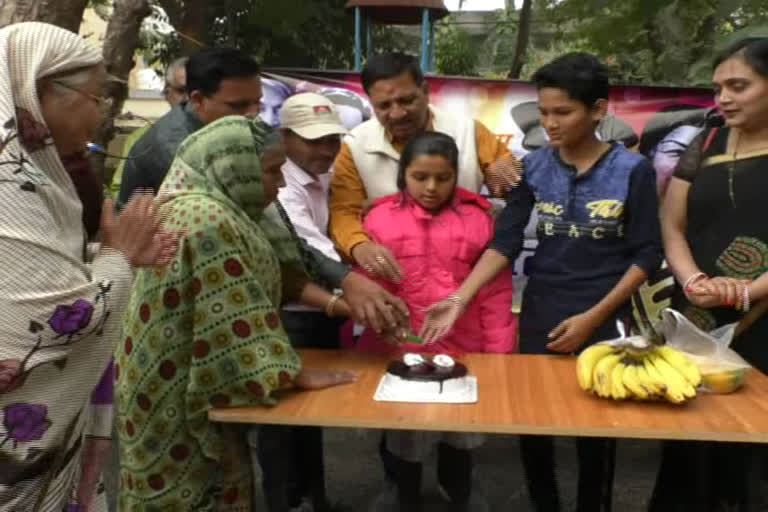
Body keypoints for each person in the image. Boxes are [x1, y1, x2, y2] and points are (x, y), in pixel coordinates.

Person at [421, 53, 663, 512]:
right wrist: (459, 298)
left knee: (597, 435)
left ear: (597, 110)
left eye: (563, 112)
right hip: (541, 312)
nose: (550, 123)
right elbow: (505, 243)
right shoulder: (533, 168)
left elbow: (648, 254)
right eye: (544, 112)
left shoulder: (633, 171)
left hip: (605, 320)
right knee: (534, 427)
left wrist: (594, 317)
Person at [116, 116, 358, 511]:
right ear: (234, 167)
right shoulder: (205, 220)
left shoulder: (216, 206)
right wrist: (294, 372)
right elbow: (233, 315)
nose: (280, 183)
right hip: (178, 391)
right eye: (271, 171)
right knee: (188, 491)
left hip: (174, 376)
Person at [0, 22, 178, 510]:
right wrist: (117, 258)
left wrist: (109, 259)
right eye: (95, 99)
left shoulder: (33, 177)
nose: (101, 118)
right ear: (41, 93)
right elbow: (49, 323)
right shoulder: (6, 186)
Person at [114, 46, 409, 336]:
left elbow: (276, 234)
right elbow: (267, 234)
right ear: (198, 100)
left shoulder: (233, 141)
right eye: (239, 106)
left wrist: (346, 280)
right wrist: (344, 285)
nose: (253, 116)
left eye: (257, 103)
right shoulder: (183, 153)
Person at [357, 132, 518, 511]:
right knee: (402, 435)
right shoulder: (379, 220)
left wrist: (499, 355)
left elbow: (495, 292)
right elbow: (368, 289)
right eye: (419, 177)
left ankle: (457, 490)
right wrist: (375, 341)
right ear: (403, 175)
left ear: (455, 175)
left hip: (467, 347)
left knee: (460, 434)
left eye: (442, 178)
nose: (430, 187)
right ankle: (401, 491)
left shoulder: (479, 220)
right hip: (401, 349)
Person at [650, 37, 768, 511]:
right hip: (697, 318)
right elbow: (671, 225)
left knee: (752, 452)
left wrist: (746, 291)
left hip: (762, 323)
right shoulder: (708, 141)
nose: (722, 98)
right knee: (688, 437)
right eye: (718, 87)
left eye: (738, 86)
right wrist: (693, 281)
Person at [330, 52, 521, 281]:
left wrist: (497, 216)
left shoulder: (469, 132)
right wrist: (358, 245)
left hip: (463, 280)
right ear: (371, 103)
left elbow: (512, 187)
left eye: (407, 101)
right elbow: (344, 211)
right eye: (384, 105)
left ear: (426, 91)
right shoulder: (354, 146)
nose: (398, 113)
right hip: (394, 280)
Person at [256, 93, 348, 512]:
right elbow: (311, 254)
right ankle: (283, 501)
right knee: (280, 419)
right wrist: (355, 293)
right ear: (285, 137)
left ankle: (316, 498)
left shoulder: (330, 176)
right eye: (314, 141)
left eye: (332, 140)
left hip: (324, 314)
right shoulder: (279, 185)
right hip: (288, 318)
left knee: (312, 415)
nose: (326, 149)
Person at [108, 56, 188, 199]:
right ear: (167, 93)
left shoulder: (222, 133)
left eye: (196, 91)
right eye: (182, 91)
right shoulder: (142, 138)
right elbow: (119, 191)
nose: (188, 98)